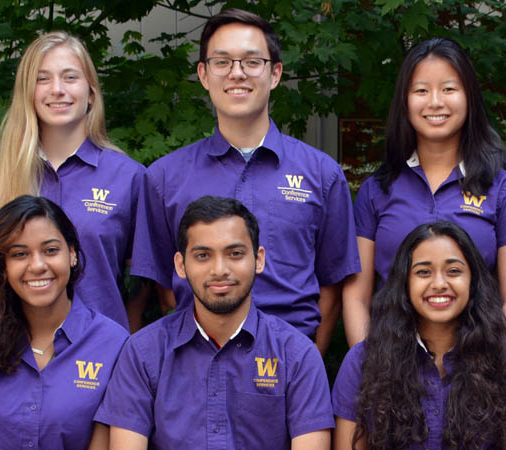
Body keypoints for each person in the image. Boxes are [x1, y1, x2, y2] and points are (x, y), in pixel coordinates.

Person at [131, 8, 358, 352]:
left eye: (252, 62)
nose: (237, 74)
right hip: (194, 360)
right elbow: (165, 280)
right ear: (204, 75)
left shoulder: (322, 175)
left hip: (289, 363)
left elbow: (333, 282)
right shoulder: (164, 178)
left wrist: (309, 359)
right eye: (222, 62)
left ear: (276, 73)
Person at [96, 195, 333, 449]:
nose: (219, 269)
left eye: (235, 253)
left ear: (259, 259)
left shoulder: (297, 355)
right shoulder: (143, 353)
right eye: (202, 256)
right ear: (180, 265)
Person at [343, 38, 506, 345]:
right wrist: (369, 367)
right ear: (404, 101)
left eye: (449, 89)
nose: (435, 102)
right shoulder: (375, 191)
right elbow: (356, 300)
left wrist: (483, 365)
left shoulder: (504, 190)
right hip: (391, 369)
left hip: (478, 368)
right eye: (421, 90)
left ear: (469, 97)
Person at [0, 31, 145, 331]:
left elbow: (145, 283)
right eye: (42, 79)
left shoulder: (129, 177)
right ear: (28, 93)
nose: (57, 90)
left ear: (90, 93)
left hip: (102, 358)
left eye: (70, 77)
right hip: (12, 353)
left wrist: (130, 347)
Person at [332, 221, 506, 450]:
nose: (440, 284)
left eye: (454, 271)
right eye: (423, 272)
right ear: (404, 283)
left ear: (473, 282)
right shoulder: (363, 362)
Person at [0, 195, 129, 449]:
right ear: (2, 265)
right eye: (20, 254)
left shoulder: (113, 345)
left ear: (72, 254)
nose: (37, 265)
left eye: (50, 250)